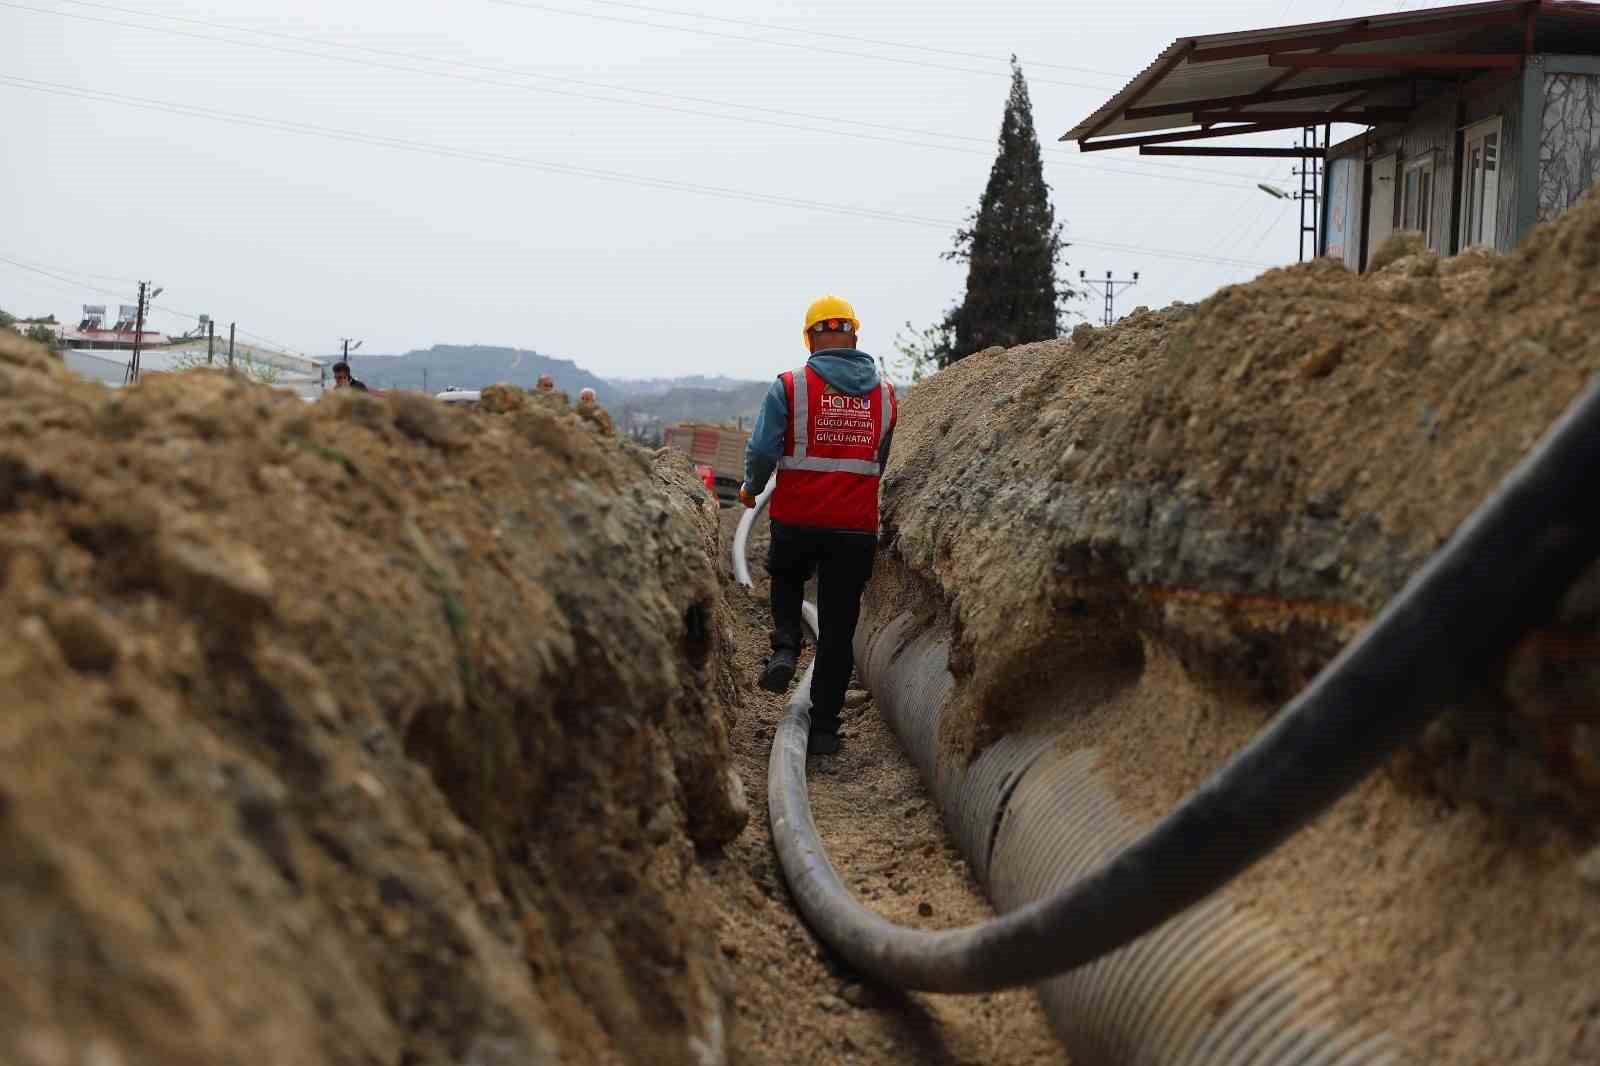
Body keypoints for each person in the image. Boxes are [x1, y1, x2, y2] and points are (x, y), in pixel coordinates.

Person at [740, 294, 896, 756]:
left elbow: (764, 448)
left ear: (810, 338)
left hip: (797, 516)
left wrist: (752, 486)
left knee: (786, 575)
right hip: (854, 527)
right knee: (838, 627)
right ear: (855, 336)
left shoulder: (790, 386)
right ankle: (825, 728)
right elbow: (879, 461)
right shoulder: (887, 395)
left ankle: (786, 644)